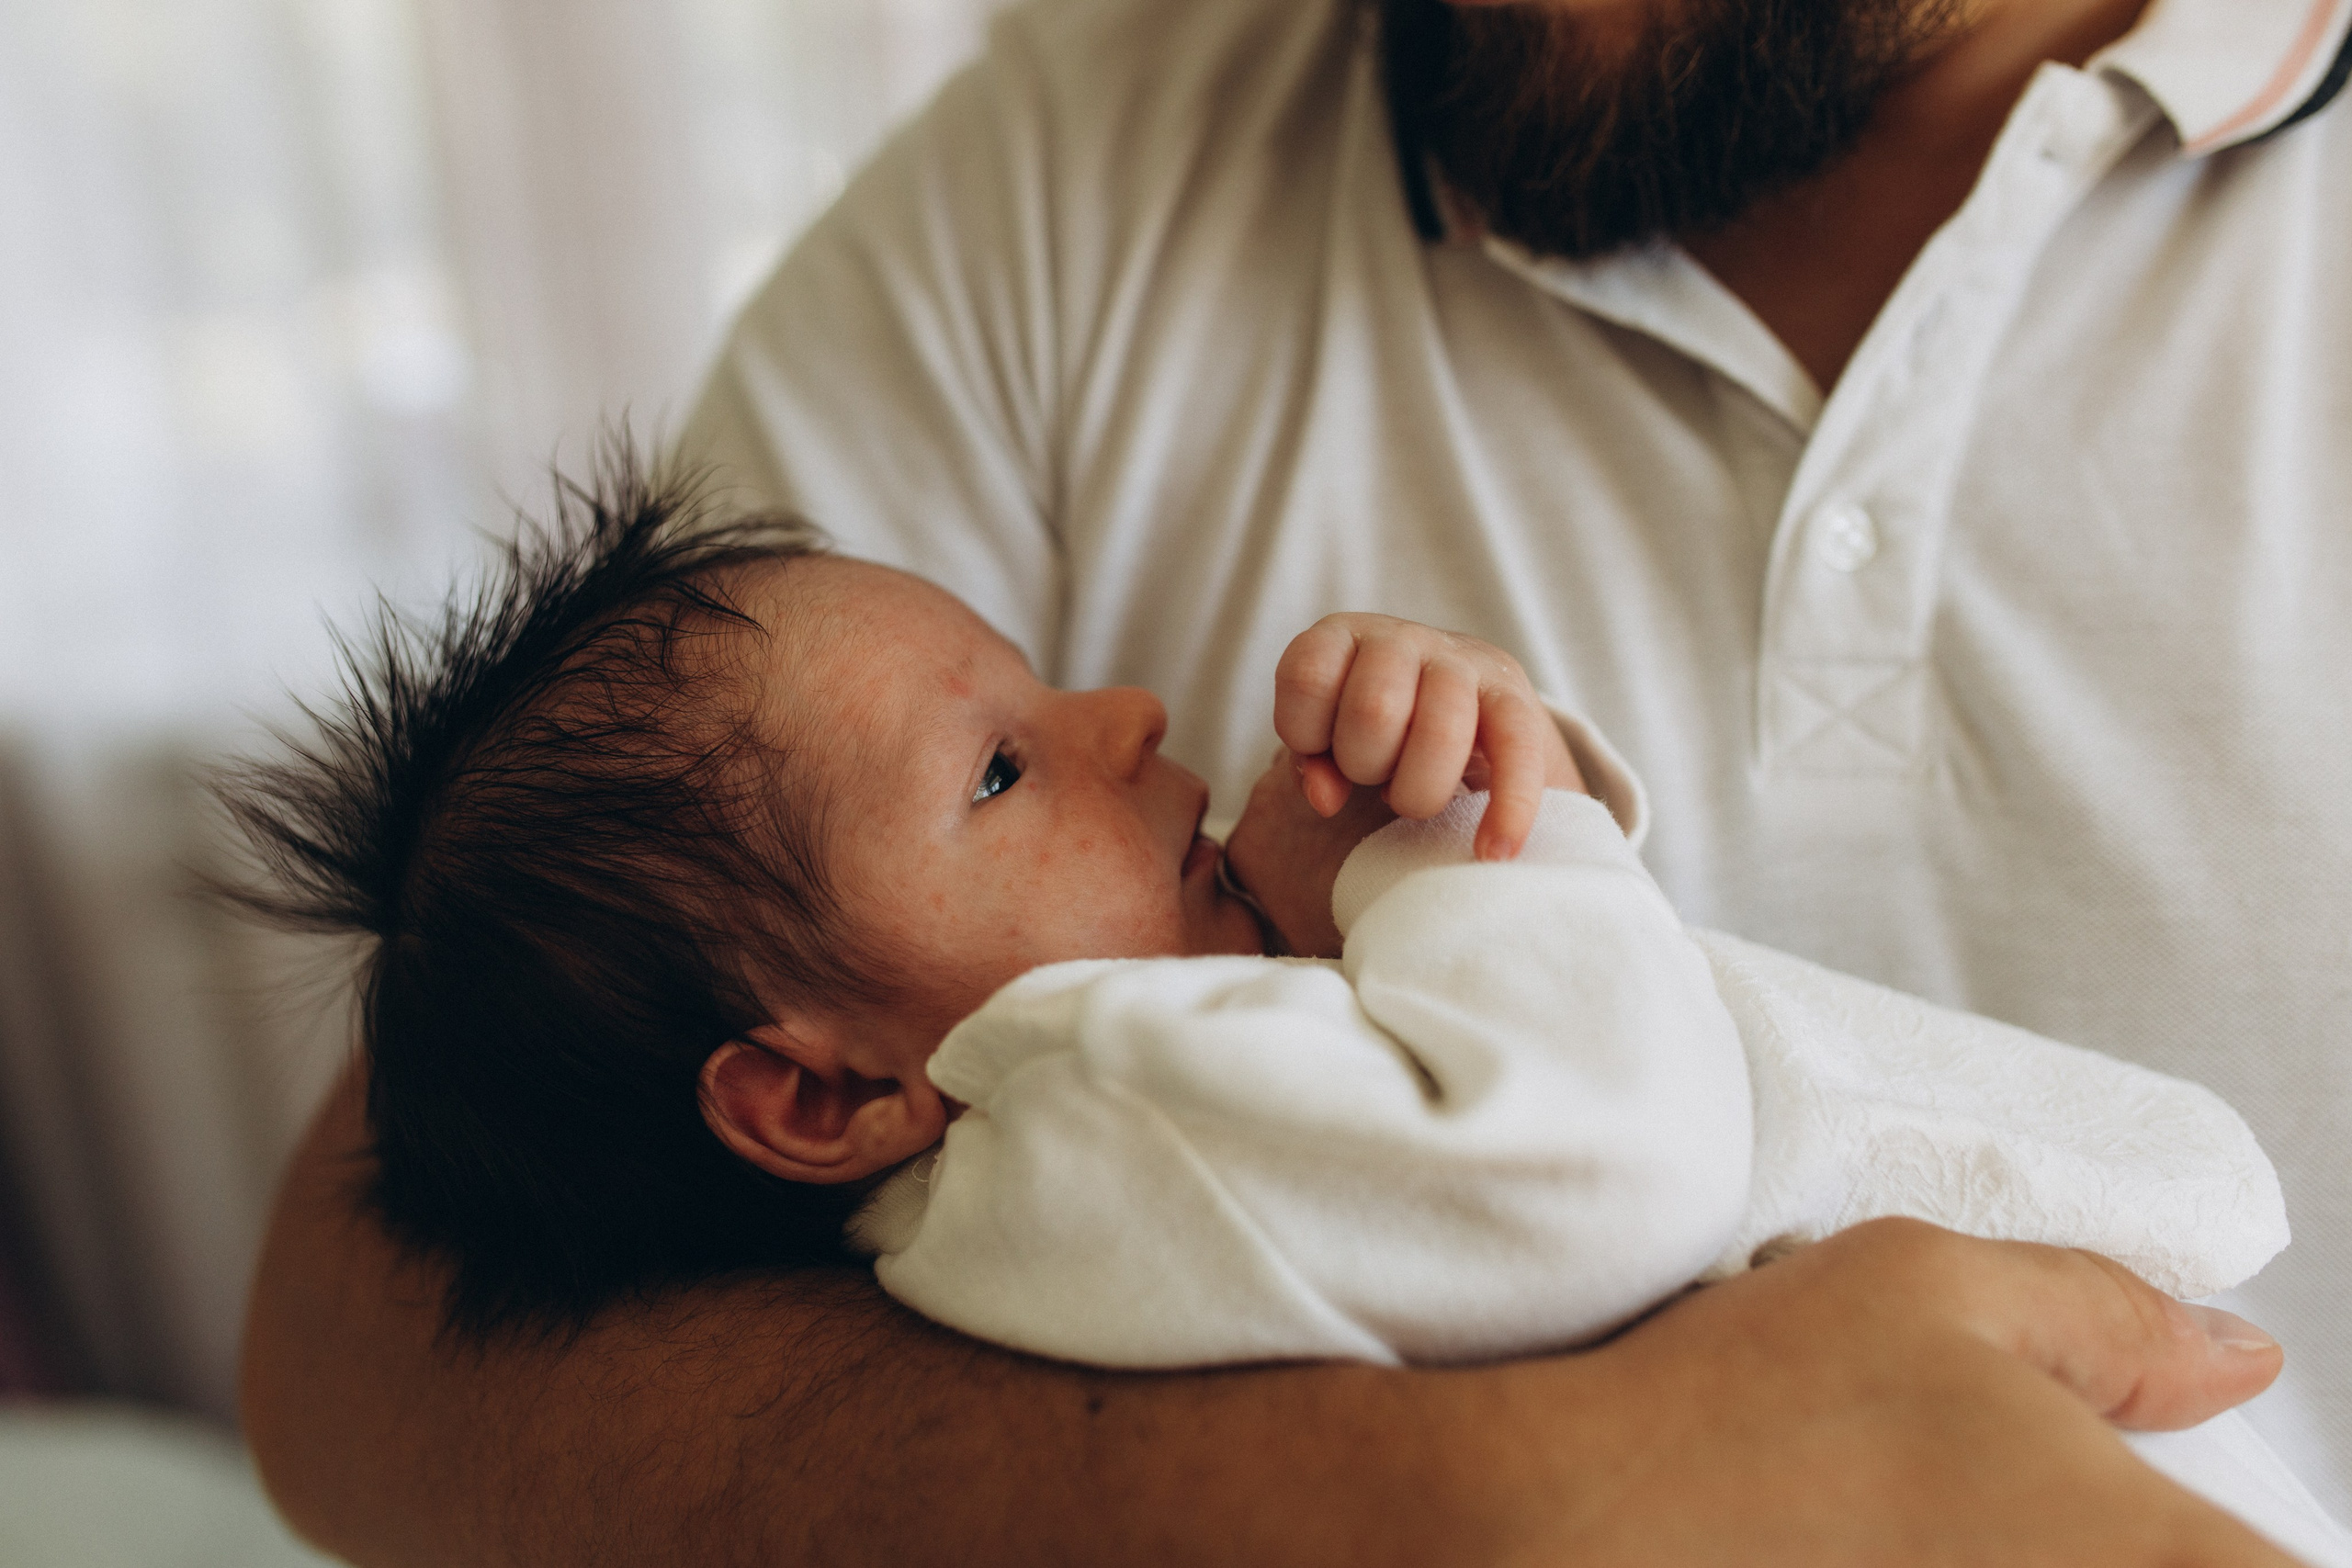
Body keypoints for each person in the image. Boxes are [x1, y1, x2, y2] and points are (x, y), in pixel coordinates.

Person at [239, 0, 2352, 1560]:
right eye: (999, 759)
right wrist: (1464, 1502)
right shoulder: (1058, 190)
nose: (1140, 713)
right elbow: (375, 1314)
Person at [232, 477, 2328, 1557]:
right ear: (814, 1089)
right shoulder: (1100, 1107)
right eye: (998, 772)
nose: (1128, 710)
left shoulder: (1076, 1147)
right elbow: (1595, 1159)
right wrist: (1445, 841)